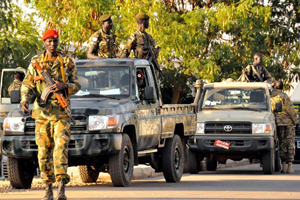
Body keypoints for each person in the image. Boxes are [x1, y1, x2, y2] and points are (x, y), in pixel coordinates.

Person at [20, 29, 81, 200]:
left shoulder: (67, 62)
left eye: (55, 41)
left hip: (61, 114)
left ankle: (61, 187)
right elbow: (27, 84)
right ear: (44, 42)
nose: (52, 44)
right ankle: (48, 187)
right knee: (43, 152)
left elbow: (77, 86)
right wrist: (24, 100)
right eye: (49, 41)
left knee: (60, 150)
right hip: (42, 114)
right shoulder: (36, 63)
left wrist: (63, 86)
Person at [271, 80, 297, 173]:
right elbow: (291, 109)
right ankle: (290, 166)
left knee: (281, 143)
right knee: (290, 142)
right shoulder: (284, 96)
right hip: (288, 123)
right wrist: (295, 121)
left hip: (278, 123)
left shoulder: (270, 96)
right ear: (282, 87)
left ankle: (284, 166)